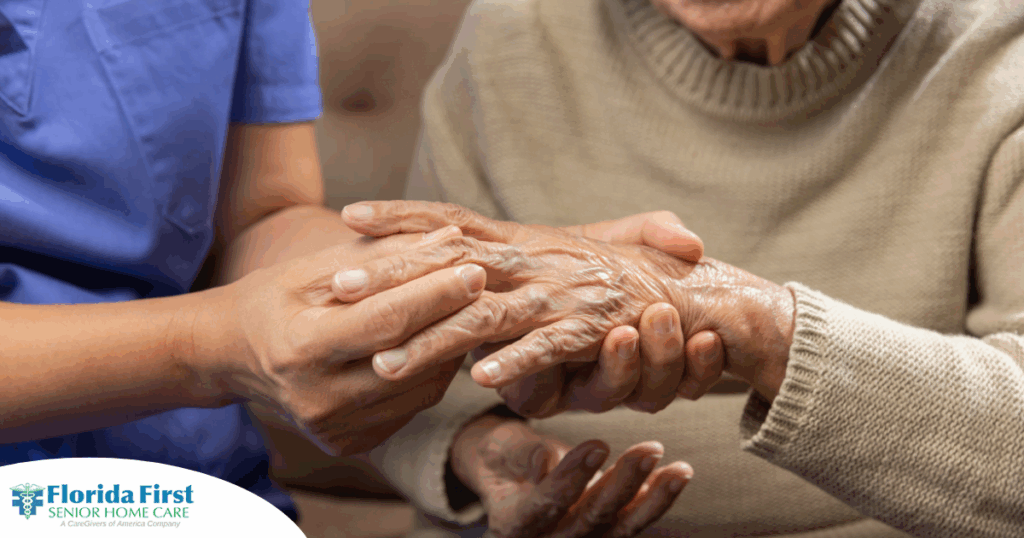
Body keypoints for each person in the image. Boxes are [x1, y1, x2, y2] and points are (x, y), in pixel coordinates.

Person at [0, 1, 706, 533]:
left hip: (185, 490)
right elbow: (226, 328)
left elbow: (260, 220)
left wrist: (496, 263)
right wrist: (214, 344)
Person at [337, 0, 1024, 535]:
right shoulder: (510, 33)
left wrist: (753, 323)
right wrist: (480, 450)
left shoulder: (998, 46)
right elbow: (391, 373)